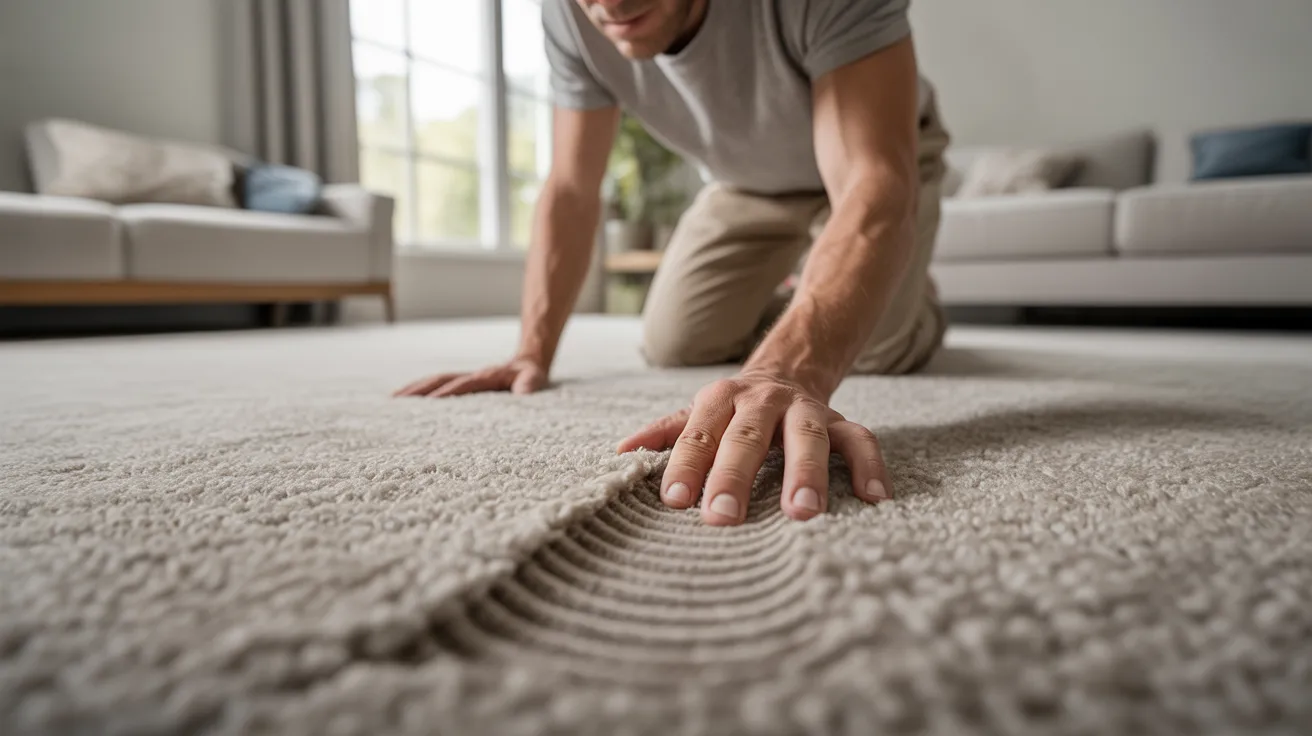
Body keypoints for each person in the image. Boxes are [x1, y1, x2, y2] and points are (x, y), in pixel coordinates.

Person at [396, 0, 951, 527]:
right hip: (747, 184)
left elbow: (872, 184)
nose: (609, 5)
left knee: (877, 347)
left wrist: (785, 371)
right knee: (675, 343)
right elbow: (571, 187)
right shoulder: (570, 14)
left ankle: (906, 293)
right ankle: (812, 288)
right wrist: (531, 351)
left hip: (873, 161)